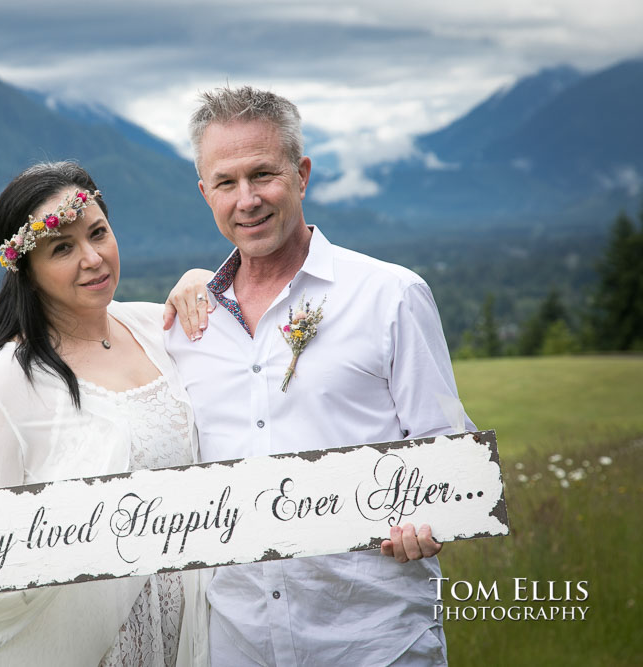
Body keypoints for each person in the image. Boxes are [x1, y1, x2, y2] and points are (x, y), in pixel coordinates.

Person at [164, 86, 476, 666]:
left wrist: (432, 519)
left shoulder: (390, 295)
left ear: (301, 174)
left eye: (264, 174)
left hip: (375, 640)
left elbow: (451, 456)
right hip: (236, 643)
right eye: (226, 183)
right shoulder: (184, 326)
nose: (248, 199)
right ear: (205, 193)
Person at [0, 161, 213, 667]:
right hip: (96, 644)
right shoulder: (3, 384)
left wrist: (205, 279)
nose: (92, 259)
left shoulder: (157, 327)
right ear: (26, 268)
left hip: (196, 628)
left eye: (98, 233)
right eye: (62, 248)